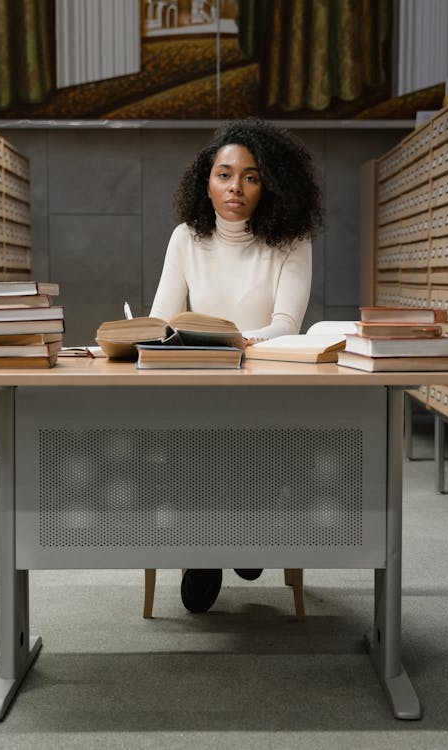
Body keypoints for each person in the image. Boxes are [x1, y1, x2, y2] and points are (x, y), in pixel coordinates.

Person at [148, 118, 324, 613]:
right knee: (197, 431)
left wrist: (236, 341)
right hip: (198, 385)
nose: (236, 187)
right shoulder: (185, 238)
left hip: (265, 386)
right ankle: (219, 546)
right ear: (206, 181)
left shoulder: (292, 239)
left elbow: (287, 324)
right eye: (225, 175)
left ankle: (236, 534)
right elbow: (162, 318)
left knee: (240, 432)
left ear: (269, 182)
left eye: (250, 176)